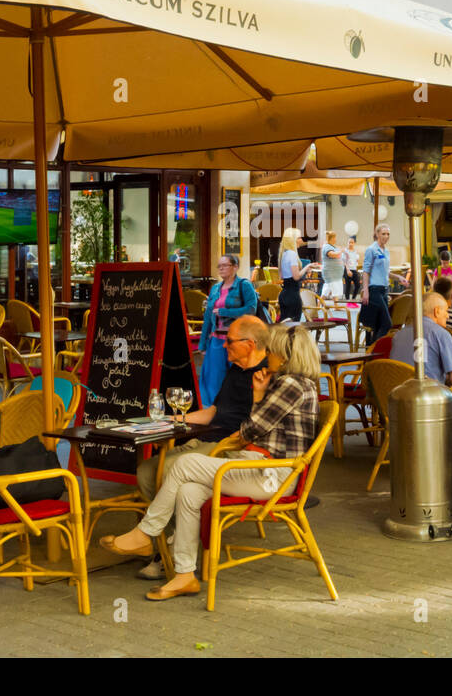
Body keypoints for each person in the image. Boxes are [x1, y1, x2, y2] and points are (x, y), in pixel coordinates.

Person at [102, 324, 320, 600]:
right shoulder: (298, 384)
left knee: (184, 464)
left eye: (274, 351)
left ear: (286, 357)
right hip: (262, 469)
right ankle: (184, 576)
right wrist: (258, 400)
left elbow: (251, 431)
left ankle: (146, 532)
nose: (270, 355)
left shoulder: (290, 384)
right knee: (188, 491)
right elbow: (255, 429)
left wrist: (256, 398)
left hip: (272, 476)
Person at [133, 313, 269, 580]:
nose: (223, 345)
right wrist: (171, 419)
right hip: (206, 439)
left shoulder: (267, 375)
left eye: (228, 341)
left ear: (250, 344)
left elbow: (261, 428)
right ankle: (167, 542)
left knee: (168, 470)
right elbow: (214, 411)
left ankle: (167, 553)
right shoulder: (235, 370)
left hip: (229, 448)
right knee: (147, 471)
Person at [388, 293, 452, 462]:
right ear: (436, 311)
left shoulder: (399, 335)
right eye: (446, 311)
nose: (448, 315)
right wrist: (448, 378)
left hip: (397, 404)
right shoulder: (441, 334)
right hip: (428, 406)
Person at [196, 254, 259, 409]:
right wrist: (203, 343)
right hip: (217, 340)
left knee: (237, 379)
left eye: (225, 265)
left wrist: (225, 312)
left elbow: (251, 309)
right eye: (219, 266)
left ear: (235, 267)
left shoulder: (244, 285)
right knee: (212, 380)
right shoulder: (215, 288)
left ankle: (235, 412)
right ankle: (213, 413)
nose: (221, 269)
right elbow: (208, 317)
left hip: (238, 341)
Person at [360, 223, 395, 343]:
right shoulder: (371, 249)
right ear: (377, 234)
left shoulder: (386, 251)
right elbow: (366, 271)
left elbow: (386, 272)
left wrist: (399, 278)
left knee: (380, 324)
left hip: (384, 290)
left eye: (388, 234)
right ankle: (374, 351)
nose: (386, 236)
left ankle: (371, 351)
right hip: (374, 290)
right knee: (387, 323)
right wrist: (366, 291)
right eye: (383, 234)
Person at [277, 227, 318, 322]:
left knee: (284, 329)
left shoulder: (284, 254)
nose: (302, 240)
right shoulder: (292, 254)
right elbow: (296, 277)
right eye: (299, 238)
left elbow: (283, 276)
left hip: (284, 295)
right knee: (293, 329)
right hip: (293, 296)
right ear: (293, 240)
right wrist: (307, 267)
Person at [319, 230, 346, 299]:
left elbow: (339, 257)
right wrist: (341, 251)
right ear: (331, 238)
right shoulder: (327, 246)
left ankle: (320, 303)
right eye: (335, 238)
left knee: (328, 289)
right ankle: (335, 305)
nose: (336, 239)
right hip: (331, 273)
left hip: (335, 274)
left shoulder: (334, 247)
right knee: (334, 288)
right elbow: (332, 255)